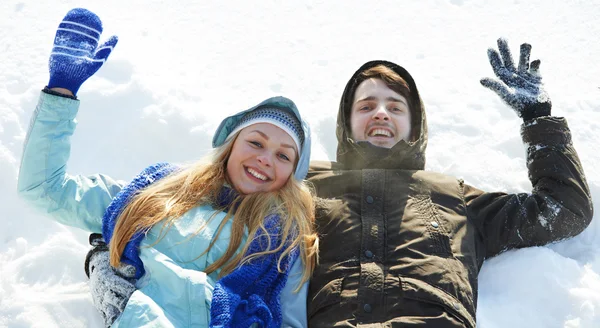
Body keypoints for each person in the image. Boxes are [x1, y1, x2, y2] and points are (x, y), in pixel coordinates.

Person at [86, 38, 592, 326]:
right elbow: (212, 196)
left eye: (396, 107)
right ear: (345, 123)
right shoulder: (300, 186)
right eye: (365, 105)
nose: (380, 114)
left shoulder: (457, 197)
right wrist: (127, 230)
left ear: (415, 126)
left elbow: (565, 209)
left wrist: (539, 118)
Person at [17, 8, 318, 328]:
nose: (266, 159)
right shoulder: (157, 192)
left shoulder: (280, 245)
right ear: (231, 144)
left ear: (293, 176)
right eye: (256, 143)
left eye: (283, 156)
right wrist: (61, 94)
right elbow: (43, 190)